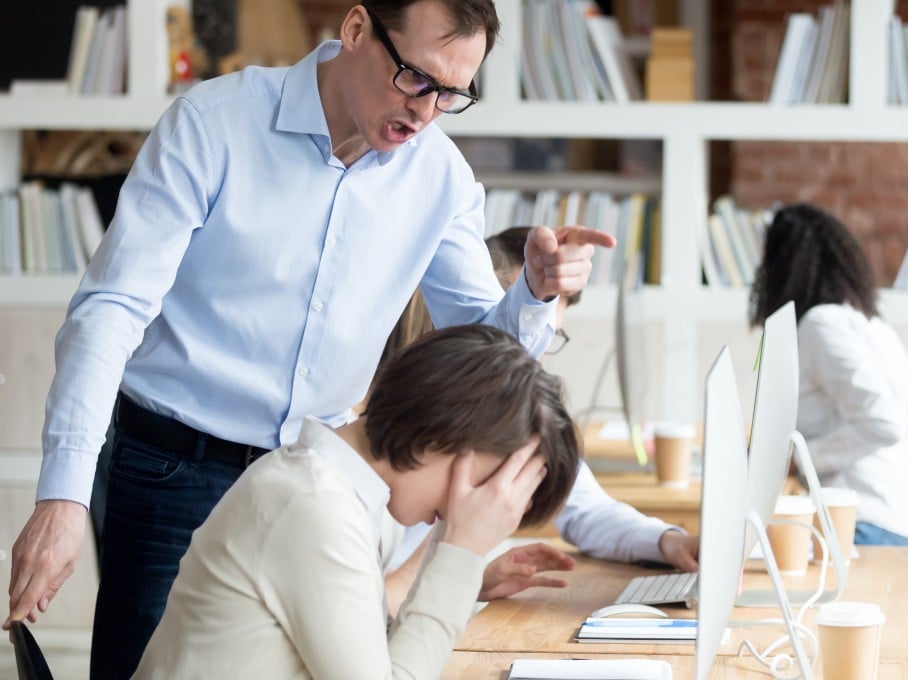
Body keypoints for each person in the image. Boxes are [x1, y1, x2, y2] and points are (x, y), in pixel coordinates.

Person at [4, 2, 614, 677]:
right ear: (356, 31)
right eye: (416, 78)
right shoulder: (214, 123)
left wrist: (532, 292)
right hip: (175, 467)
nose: (426, 111)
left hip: (322, 487)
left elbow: (480, 366)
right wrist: (61, 496)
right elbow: (112, 308)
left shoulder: (440, 179)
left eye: (451, 94)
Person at [133, 325, 580, 679]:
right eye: (490, 484)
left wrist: (457, 557)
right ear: (446, 431)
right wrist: (461, 551)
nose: (480, 505)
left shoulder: (343, 491)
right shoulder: (312, 505)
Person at [382, 226, 699, 613]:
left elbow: (584, 508)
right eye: (527, 327)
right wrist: (456, 564)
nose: (534, 353)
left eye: (549, 333)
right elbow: (370, 599)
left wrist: (669, 541)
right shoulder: (390, 430)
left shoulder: (505, 419)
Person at [749, 202, 908, 547]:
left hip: (868, 524)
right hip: (900, 522)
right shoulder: (871, 325)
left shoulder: (821, 325)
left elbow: (885, 423)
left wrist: (800, 461)